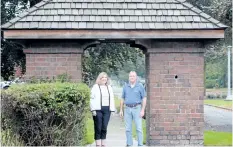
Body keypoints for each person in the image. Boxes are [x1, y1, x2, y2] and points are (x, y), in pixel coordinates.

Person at [120, 71, 146, 146]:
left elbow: (144, 98)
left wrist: (142, 110)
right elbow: (122, 98)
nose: (132, 77)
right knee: (128, 129)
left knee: (139, 128)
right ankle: (129, 144)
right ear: (129, 77)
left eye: (133, 76)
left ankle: (140, 145)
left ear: (136, 77)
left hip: (137, 108)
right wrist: (121, 110)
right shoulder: (125, 86)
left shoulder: (140, 86)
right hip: (127, 109)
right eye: (130, 76)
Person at [90, 72, 115, 147]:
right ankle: (98, 144)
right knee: (98, 127)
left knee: (104, 127)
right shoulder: (95, 87)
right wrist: (93, 109)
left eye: (105, 77)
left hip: (107, 110)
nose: (104, 79)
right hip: (98, 110)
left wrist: (112, 110)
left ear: (107, 79)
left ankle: (103, 143)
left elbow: (112, 98)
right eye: (102, 77)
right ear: (99, 79)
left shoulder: (109, 87)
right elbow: (91, 99)